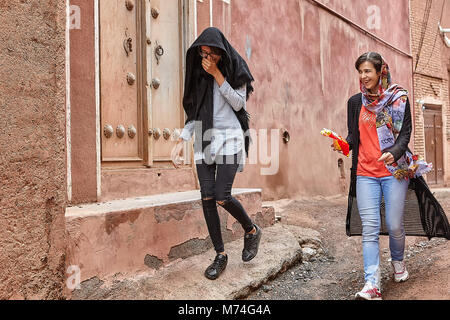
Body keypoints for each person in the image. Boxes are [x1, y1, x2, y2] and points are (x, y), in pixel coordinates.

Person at [338, 52, 449, 300]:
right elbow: (353, 137)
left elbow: (405, 134)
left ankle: (398, 261)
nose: (363, 76)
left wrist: (394, 152)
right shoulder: (355, 102)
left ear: (380, 72)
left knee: (395, 225)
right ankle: (372, 284)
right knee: (370, 228)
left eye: (367, 71)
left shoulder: (398, 99)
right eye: (360, 71)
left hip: (393, 172)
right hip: (365, 173)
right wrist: (343, 145)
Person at [171, 27, 261, 280]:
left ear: (221, 53)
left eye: (211, 53)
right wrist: (181, 141)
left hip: (230, 138)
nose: (206, 58)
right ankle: (220, 254)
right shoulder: (200, 74)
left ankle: (251, 230)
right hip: (203, 139)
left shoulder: (235, 69)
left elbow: (238, 103)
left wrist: (218, 75)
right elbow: (195, 113)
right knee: (208, 199)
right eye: (202, 52)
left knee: (222, 196)